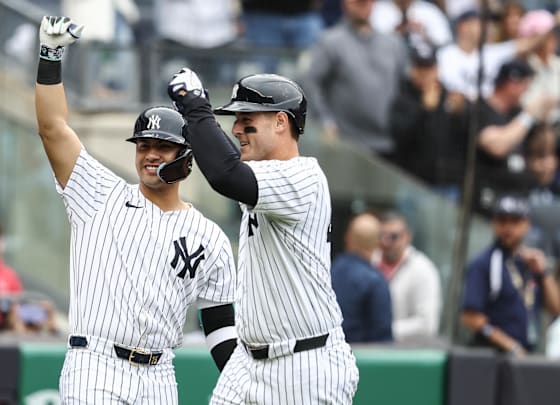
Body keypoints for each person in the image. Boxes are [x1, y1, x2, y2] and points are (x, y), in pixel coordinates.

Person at [34, 16, 238, 403]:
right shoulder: (98, 194)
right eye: (143, 145)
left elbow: (219, 325)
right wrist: (50, 56)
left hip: (160, 374)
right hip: (95, 365)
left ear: (187, 157)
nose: (150, 154)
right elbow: (52, 128)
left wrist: (243, 385)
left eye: (162, 146)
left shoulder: (209, 236)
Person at [167, 69, 358, 403]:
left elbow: (225, 174)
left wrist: (196, 107)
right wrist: (198, 114)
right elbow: (229, 164)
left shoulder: (302, 177)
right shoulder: (263, 171)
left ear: (281, 122)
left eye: (246, 118)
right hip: (250, 363)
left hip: (303, 365)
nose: (237, 129)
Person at [300, 0, 407, 158]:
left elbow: (405, 87)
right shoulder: (330, 41)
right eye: (357, 2)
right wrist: (325, 120)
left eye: (367, 2)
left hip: (388, 142)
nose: (363, 4)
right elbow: (310, 83)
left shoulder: (393, 43)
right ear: (345, 3)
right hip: (346, 142)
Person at [461, 194, 560, 354]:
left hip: (525, 356)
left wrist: (544, 273)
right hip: (492, 357)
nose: (508, 228)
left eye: (514, 221)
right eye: (502, 221)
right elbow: (470, 318)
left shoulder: (529, 264)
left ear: (526, 224)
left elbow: (555, 308)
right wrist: (512, 346)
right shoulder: (483, 263)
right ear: (494, 223)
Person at [389, 40, 468, 199]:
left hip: (446, 182)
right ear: (412, 70)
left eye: (429, 68)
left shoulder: (448, 97)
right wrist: (424, 111)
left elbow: (462, 139)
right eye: (420, 68)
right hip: (412, 181)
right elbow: (400, 138)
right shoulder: (402, 98)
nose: (425, 74)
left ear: (437, 70)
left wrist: (463, 112)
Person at [474, 59, 554, 215]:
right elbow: (497, 146)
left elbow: (542, 149)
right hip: (485, 204)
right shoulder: (480, 110)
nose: (527, 90)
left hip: (521, 203)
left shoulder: (516, 114)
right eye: (525, 84)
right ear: (511, 84)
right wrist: (529, 115)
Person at [374, 212, 442, 341]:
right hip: (372, 349)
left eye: (393, 236)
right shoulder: (371, 261)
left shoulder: (423, 270)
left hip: (408, 355)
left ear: (407, 237)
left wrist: (385, 329)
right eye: (382, 236)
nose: (386, 242)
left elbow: (428, 325)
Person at [332, 213, 393, 343]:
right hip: (364, 360)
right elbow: (383, 338)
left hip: (330, 356)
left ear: (347, 237)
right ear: (378, 242)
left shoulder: (329, 272)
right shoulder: (376, 283)